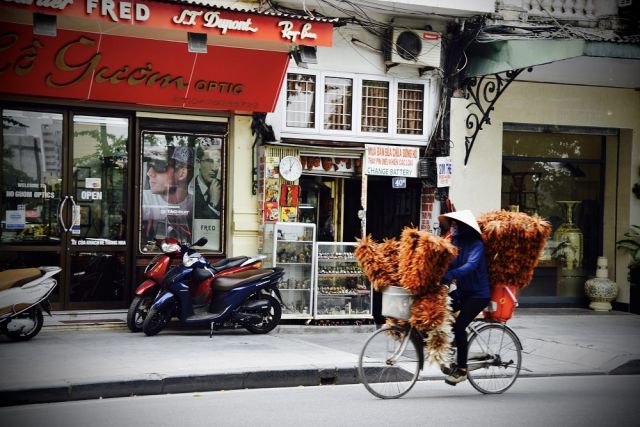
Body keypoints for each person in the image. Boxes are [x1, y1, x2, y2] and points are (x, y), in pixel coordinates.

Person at [438, 209, 491, 385]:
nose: (452, 228)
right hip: (462, 292)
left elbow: (471, 265)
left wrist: (450, 274)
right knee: (441, 316)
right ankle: (456, 351)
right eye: (451, 225)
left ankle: (462, 369)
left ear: (463, 227)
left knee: (460, 327)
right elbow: (449, 261)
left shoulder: (476, 244)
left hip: (478, 295)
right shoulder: (455, 242)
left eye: (455, 225)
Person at [141, 145, 194, 244]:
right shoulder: (141, 199)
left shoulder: (196, 206)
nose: (149, 172)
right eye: (149, 166)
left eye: (159, 166)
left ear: (182, 174)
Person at [194, 139, 222, 219]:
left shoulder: (224, 188)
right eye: (209, 161)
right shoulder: (189, 189)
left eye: (217, 162)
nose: (214, 168)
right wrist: (213, 203)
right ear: (198, 163)